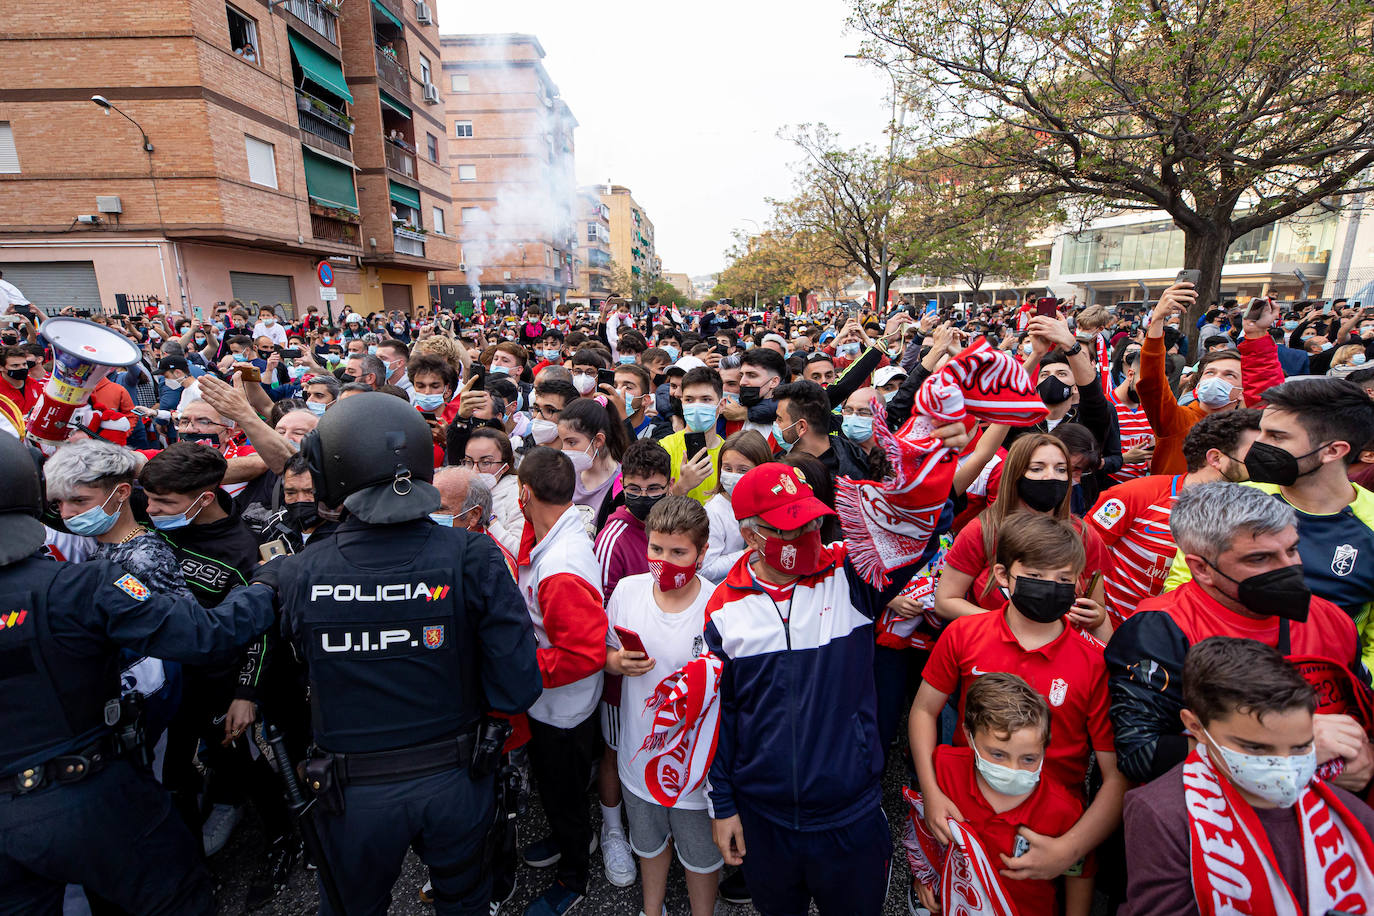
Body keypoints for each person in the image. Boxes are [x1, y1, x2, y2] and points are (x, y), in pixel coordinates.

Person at [259, 392, 542, 915]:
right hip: (456, 781)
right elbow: (518, 686)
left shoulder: (298, 569)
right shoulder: (472, 554)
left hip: (351, 795)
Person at [0, 432, 277, 915]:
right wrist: (271, 582)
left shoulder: (134, 557)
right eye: (58, 503)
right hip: (93, 790)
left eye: (77, 501)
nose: (66, 513)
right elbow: (202, 634)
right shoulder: (78, 585)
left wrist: (242, 689)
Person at [705, 462, 950, 916]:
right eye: (790, 527)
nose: (807, 535)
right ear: (750, 535)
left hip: (850, 815)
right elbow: (720, 716)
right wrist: (723, 805)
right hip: (765, 820)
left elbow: (921, 532)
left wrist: (929, 464)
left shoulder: (851, 574)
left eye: (813, 521)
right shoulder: (722, 608)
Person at [912, 514, 1124, 916]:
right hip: (965, 806)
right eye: (1037, 575)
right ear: (1003, 575)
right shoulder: (964, 634)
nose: (1050, 586)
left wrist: (1069, 849)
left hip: (1050, 823)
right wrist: (932, 793)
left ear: (1079, 584)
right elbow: (924, 710)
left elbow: (1115, 776)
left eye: (1064, 579)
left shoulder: (1094, 662)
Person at [1105, 482, 1372, 789]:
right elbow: (1140, 753)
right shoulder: (1161, 631)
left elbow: (1362, 711)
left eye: (1291, 550)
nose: (1289, 568)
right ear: (1201, 569)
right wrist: (1293, 752)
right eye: (1259, 559)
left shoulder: (1331, 619)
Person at [1121, 637, 1374, 916]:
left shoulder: (1347, 813)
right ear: (1196, 727)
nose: (1284, 766)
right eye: (1256, 749)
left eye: (1300, 747)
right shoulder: (1162, 814)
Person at [1165, 377, 1374, 658]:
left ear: (1333, 451)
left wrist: (1345, 682)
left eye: (1276, 437)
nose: (1257, 447)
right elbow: (1180, 592)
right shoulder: (1229, 501)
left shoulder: (1369, 524)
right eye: (1261, 432)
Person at [605, 495, 722, 916]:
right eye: (656, 548)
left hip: (694, 772)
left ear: (702, 553)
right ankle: (651, 910)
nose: (664, 561)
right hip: (638, 762)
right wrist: (617, 662)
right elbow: (606, 651)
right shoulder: (627, 591)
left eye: (678, 552)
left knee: (701, 859)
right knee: (649, 847)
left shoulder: (718, 606)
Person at [513, 447, 608, 916]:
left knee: (563, 792)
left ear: (524, 493)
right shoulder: (554, 531)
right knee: (557, 791)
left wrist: (516, 667)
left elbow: (584, 654)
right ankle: (568, 835)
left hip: (562, 708)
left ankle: (574, 876)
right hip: (555, 701)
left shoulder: (560, 571)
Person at [914, 673, 1087, 916]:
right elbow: (924, 826)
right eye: (998, 755)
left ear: (1045, 748)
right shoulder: (943, 769)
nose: (1012, 770)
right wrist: (923, 876)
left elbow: (1079, 875)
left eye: (1028, 759)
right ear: (968, 735)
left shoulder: (1064, 810)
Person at [1087, 409, 1262, 625]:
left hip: (1182, 635)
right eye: (1255, 453)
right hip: (1114, 630)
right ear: (1216, 458)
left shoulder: (1251, 518)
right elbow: (1081, 555)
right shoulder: (1137, 494)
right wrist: (1098, 621)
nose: (1264, 460)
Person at [590, 439, 674, 888]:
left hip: (669, 671)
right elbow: (598, 615)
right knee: (615, 751)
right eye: (635, 489)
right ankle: (612, 831)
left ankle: (664, 827)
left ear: (669, 485)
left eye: (654, 488)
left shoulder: (677, 525)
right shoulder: (614, 538)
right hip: (623, 674)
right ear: (622, 486)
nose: (644, 497)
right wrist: (613, 662)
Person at [934, 434, 1111, 639]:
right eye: (1037, 468)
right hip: (993, 645)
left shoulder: (1084, 534)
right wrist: (1009, 624)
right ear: (1015, 474)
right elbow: (946, 601)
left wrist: (1095, 616)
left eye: (1061, 469)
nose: (1050, 476)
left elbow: (1098, 608)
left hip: (1061, 649)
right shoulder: (983, 530)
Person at [1137, 283, 1285, 474]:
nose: (1216, 379)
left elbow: (1265, 388)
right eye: (1210, 373)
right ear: (1198, 384)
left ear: (1242, 391)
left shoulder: (1248, 430)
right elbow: (1152, 383)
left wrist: (1256, 333)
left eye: (1229, 375)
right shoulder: (1176, 420)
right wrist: (1157, 320)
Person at [701, 430, 771, 581]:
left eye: (743, 470)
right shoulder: (714, 511)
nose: (733, 475)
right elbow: (705, 569)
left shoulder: (770, 504)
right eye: (727, 468)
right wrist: (747, 553)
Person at [772, 379, 869, 479]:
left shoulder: (855, 477)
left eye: (780, 419)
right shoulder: (775, 465)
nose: (775, 423)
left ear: (801, 427)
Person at [558, 395, 628, 526]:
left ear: (598, 441)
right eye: (562, 442)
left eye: (571, 442)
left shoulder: (621, 485)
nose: (564, 450)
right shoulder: (564, 478)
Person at [662, 366, 726, 504]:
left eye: (706, 399)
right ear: (682, 403)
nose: (697, 407)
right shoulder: (664, 448)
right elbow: (652, 508)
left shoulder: (729, 453)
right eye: (689, 400)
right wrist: (681, 487)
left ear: (721, 405)